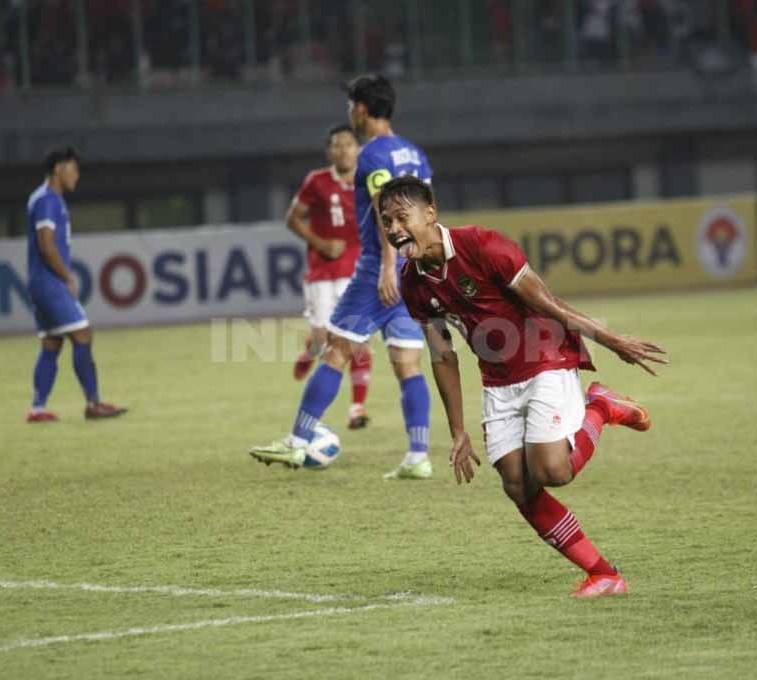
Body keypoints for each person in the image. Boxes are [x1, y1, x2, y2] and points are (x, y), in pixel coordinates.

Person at [379, 175, 667, 598]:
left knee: (553, 471)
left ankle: (601, 407)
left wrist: (613, 340)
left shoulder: (483, 246)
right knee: (517, 483)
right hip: (498, 380)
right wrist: (458, 431)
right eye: (386, 221)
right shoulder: (413, 283)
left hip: (546, 358)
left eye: (402, 217)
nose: (394, 229)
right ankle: (605, 575)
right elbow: (442, 355)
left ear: (431, 213)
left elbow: (551, 305)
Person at [250, 74, 434, 479]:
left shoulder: (371, 155)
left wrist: (387, 267)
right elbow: (425, 212)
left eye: (351, 106)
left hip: (378, 270)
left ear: (362, 109)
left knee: (335, 350)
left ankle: (298, 442)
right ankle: (418, 456)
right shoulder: (414, 153)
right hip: (415, 268)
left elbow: (388, 211)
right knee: (408, 363)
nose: (349, 113)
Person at [24, 145, 127, 423]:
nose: (77, 175)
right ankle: (93, 403)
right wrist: (66, 276)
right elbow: (47, 245)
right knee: (82, 334)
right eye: (74, 168)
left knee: (52, 343)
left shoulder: (42, 198)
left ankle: (37, 408)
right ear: (59, 168)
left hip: (38, 282)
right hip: (49, 282)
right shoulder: (48, 200)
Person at [287, 124, 373, 430]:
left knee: (356, 341)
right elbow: (292, 218)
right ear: (330, 151)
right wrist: (321, 243)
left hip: (358, 272)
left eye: (349, 145)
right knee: (325, 342)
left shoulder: (369, 182)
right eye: (337, 146)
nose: (344, 150)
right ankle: (311, 349)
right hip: (322, 272)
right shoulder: (317, 181)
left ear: (358, 149)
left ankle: (357, 408)